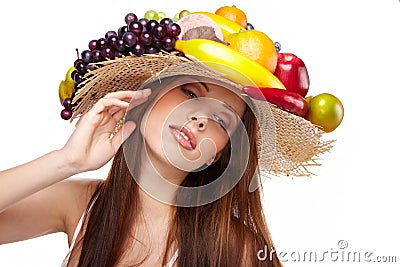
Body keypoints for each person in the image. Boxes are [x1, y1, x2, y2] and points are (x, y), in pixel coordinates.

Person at [0, 22, 332, 267]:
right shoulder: (81, 205)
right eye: (190, 94)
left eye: (220, 120)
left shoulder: (237, 250)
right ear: (148, 95)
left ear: (219, 155)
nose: (198, 118)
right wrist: (67, 161)